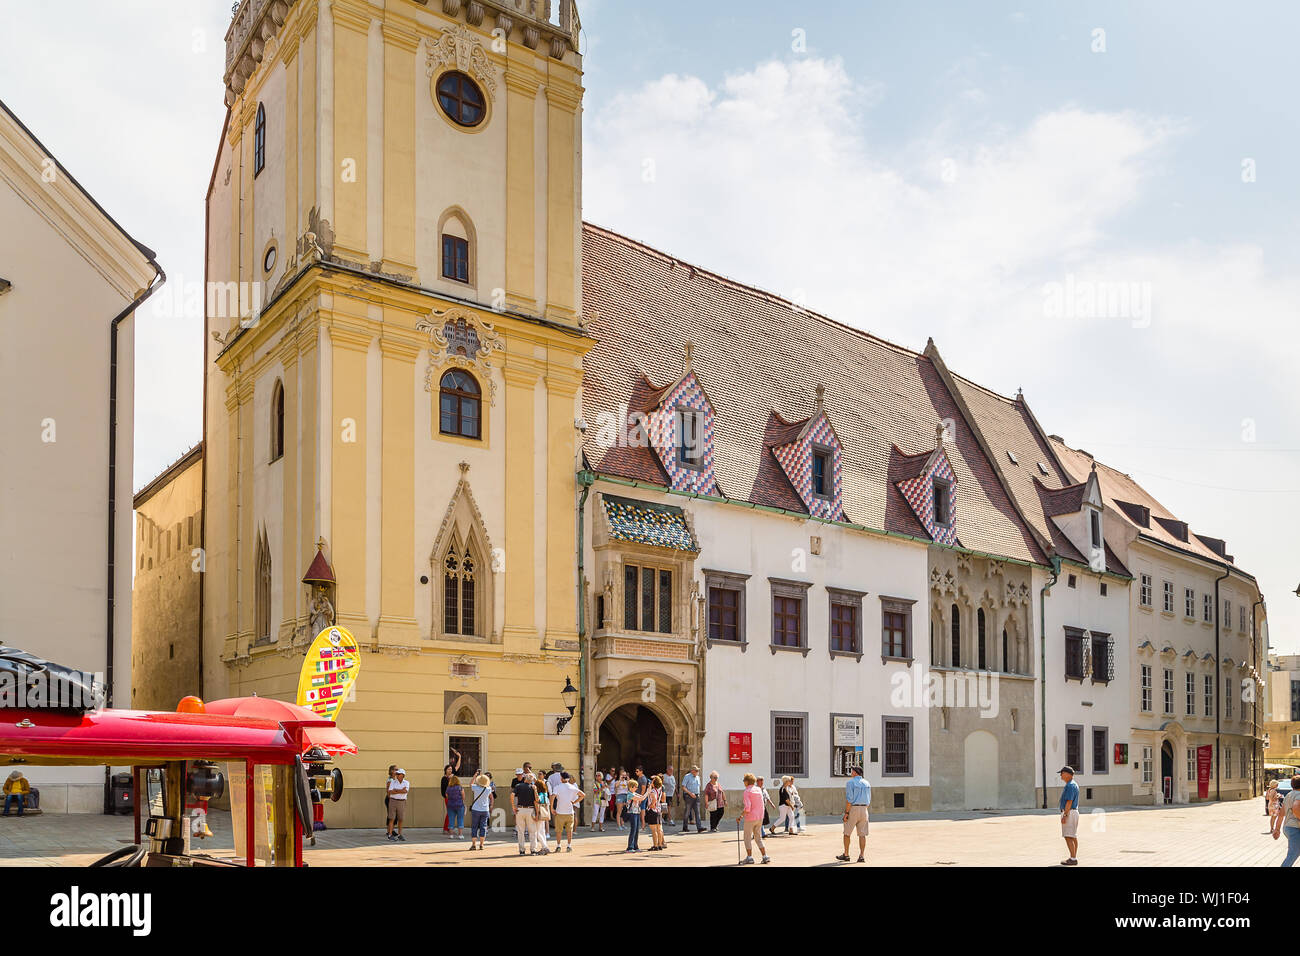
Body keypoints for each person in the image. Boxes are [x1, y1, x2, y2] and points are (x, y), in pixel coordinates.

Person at [836, 766, 870, 863]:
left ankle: (846, 854)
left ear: (855, 772)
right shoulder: (867, 783)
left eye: (852, 770)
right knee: (862, 834)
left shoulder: (850, 783)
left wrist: (847, 813)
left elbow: (849, 799)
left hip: (854, 808)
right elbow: (869, 799)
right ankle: (861, 855)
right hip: (864, 809)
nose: (851, 772)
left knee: (847, 833)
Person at [512, 771, 549, 856]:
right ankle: (533, 850)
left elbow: (512, 795)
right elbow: (536, 801)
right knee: (533, 831)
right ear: (532, 780)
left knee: (520, 831)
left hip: (520, 809)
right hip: (530, 810)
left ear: (525, 778)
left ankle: (522, 851)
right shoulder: (533, 787)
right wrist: (536, 814)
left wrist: (513, 806)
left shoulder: (518, 786)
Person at [738, 773, 769, 864]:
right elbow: (762, 804)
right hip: (760, 817)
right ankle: (765, 856)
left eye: (744, 780)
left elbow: (748, 807)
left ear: (747, 782)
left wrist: (741, 816)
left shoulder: (747, 791)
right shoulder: (758, 789)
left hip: (751, 817)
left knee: (747, 837)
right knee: (758, 837)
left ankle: (749, 857)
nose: (743, 782)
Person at [551, 771, 584, 852]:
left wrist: (551, 808)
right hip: (570, 812)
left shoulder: (557, 787)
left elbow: (552, 797)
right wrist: (575, 802)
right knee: (569, 830)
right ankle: (569, 846)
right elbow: (583, 795)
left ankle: (558, 846)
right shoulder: (572, 787)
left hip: (560, 812)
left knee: (559, 830)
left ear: (561, 778)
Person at [1273, 774, 1300, 867]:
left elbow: (1281, 814)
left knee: (1294, 852)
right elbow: (1296, 808)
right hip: (1295, 828)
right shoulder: (1299, 795)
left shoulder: (1289, 795)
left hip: (1288, 827)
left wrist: (1277, 829)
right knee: (1293, 854)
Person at [1058, 765, 1080, 866]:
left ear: (1067, 774)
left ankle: (1073, 858)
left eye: (1062, 774)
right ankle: (1073, 857)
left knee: (1068, 836)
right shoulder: (1073, 784)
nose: (1061, 776)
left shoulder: (1070, 785)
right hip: (1073, 812)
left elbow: (1069, 801)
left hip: (1070, 812)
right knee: (1073, 836)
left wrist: (1065, 815)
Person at [624, 776, 649, 852]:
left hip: (637, 812)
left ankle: (635, 846)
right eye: (635, 787)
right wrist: (648, 791)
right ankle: (630, 847)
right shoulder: (630, 794)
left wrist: (648, 791)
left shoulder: (633, 793)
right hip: (632, 813)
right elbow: (641, 798)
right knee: (633, 829)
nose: (637, 788)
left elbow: (641, 797)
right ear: (631, 787)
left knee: (636, 830)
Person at [469, 773, 493, 850]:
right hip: (485, 810)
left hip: (476, 809)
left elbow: (471, 784)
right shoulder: (488, 789)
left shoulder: (475, 788)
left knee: (474, 827)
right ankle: (482, 844)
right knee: (483, 827)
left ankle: (473, 844)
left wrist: (475, 775)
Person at [440, 749, 461, 835]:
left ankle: (449, 828)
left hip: (454, 798)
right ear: (445, 770)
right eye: (448, 769)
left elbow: (457, 766)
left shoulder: (453, 776)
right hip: (448, 798)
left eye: (451, 769)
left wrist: (459, 757)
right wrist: (450, 778)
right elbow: (444, 790)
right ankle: (446, 829)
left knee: (452, 813)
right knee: (450, 813)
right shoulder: (444, 778)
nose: (450, 770)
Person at [386, 768, 410, 842]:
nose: (397, 775)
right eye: (397, 774)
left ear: (403, 775)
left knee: (401, 819)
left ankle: (400, 834)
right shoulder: (393, 782)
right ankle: (390, 835)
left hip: (402, 802)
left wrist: (396, 790)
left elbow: (405, 791)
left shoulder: (406, 783)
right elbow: (390, 791)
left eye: (399, 774)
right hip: (393, 801)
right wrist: (400, 791)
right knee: (391, 818)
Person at [644, 774, 667, 850]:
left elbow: (653, 799)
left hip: (653, 811)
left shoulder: (653, 791)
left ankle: (655, 845)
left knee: (654, 830)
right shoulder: (660, 789)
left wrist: (650, 805)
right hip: (659, 810)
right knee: (659, 829)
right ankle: (660, 844)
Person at [680, 765, 704, 833]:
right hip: (689, 796)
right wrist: (690, 793)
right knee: (687, 812)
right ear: (692, 771)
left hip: (696, 796)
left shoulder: (698, 777)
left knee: (697, 812)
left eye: (698, 770)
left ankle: (699, 827)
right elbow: (683, 787)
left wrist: (698, 794)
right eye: (696, 771)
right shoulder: (687, 776)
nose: (698, 772)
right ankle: (685, 827)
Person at [446, 774, 466, 839]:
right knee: (460, 819)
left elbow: (447, 796)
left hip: (450, 805)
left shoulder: (448, 788)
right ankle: (460, 835)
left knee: (451, 819)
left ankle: (451, 835)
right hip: (459, 805)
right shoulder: (460, 787)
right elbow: (463, 796)